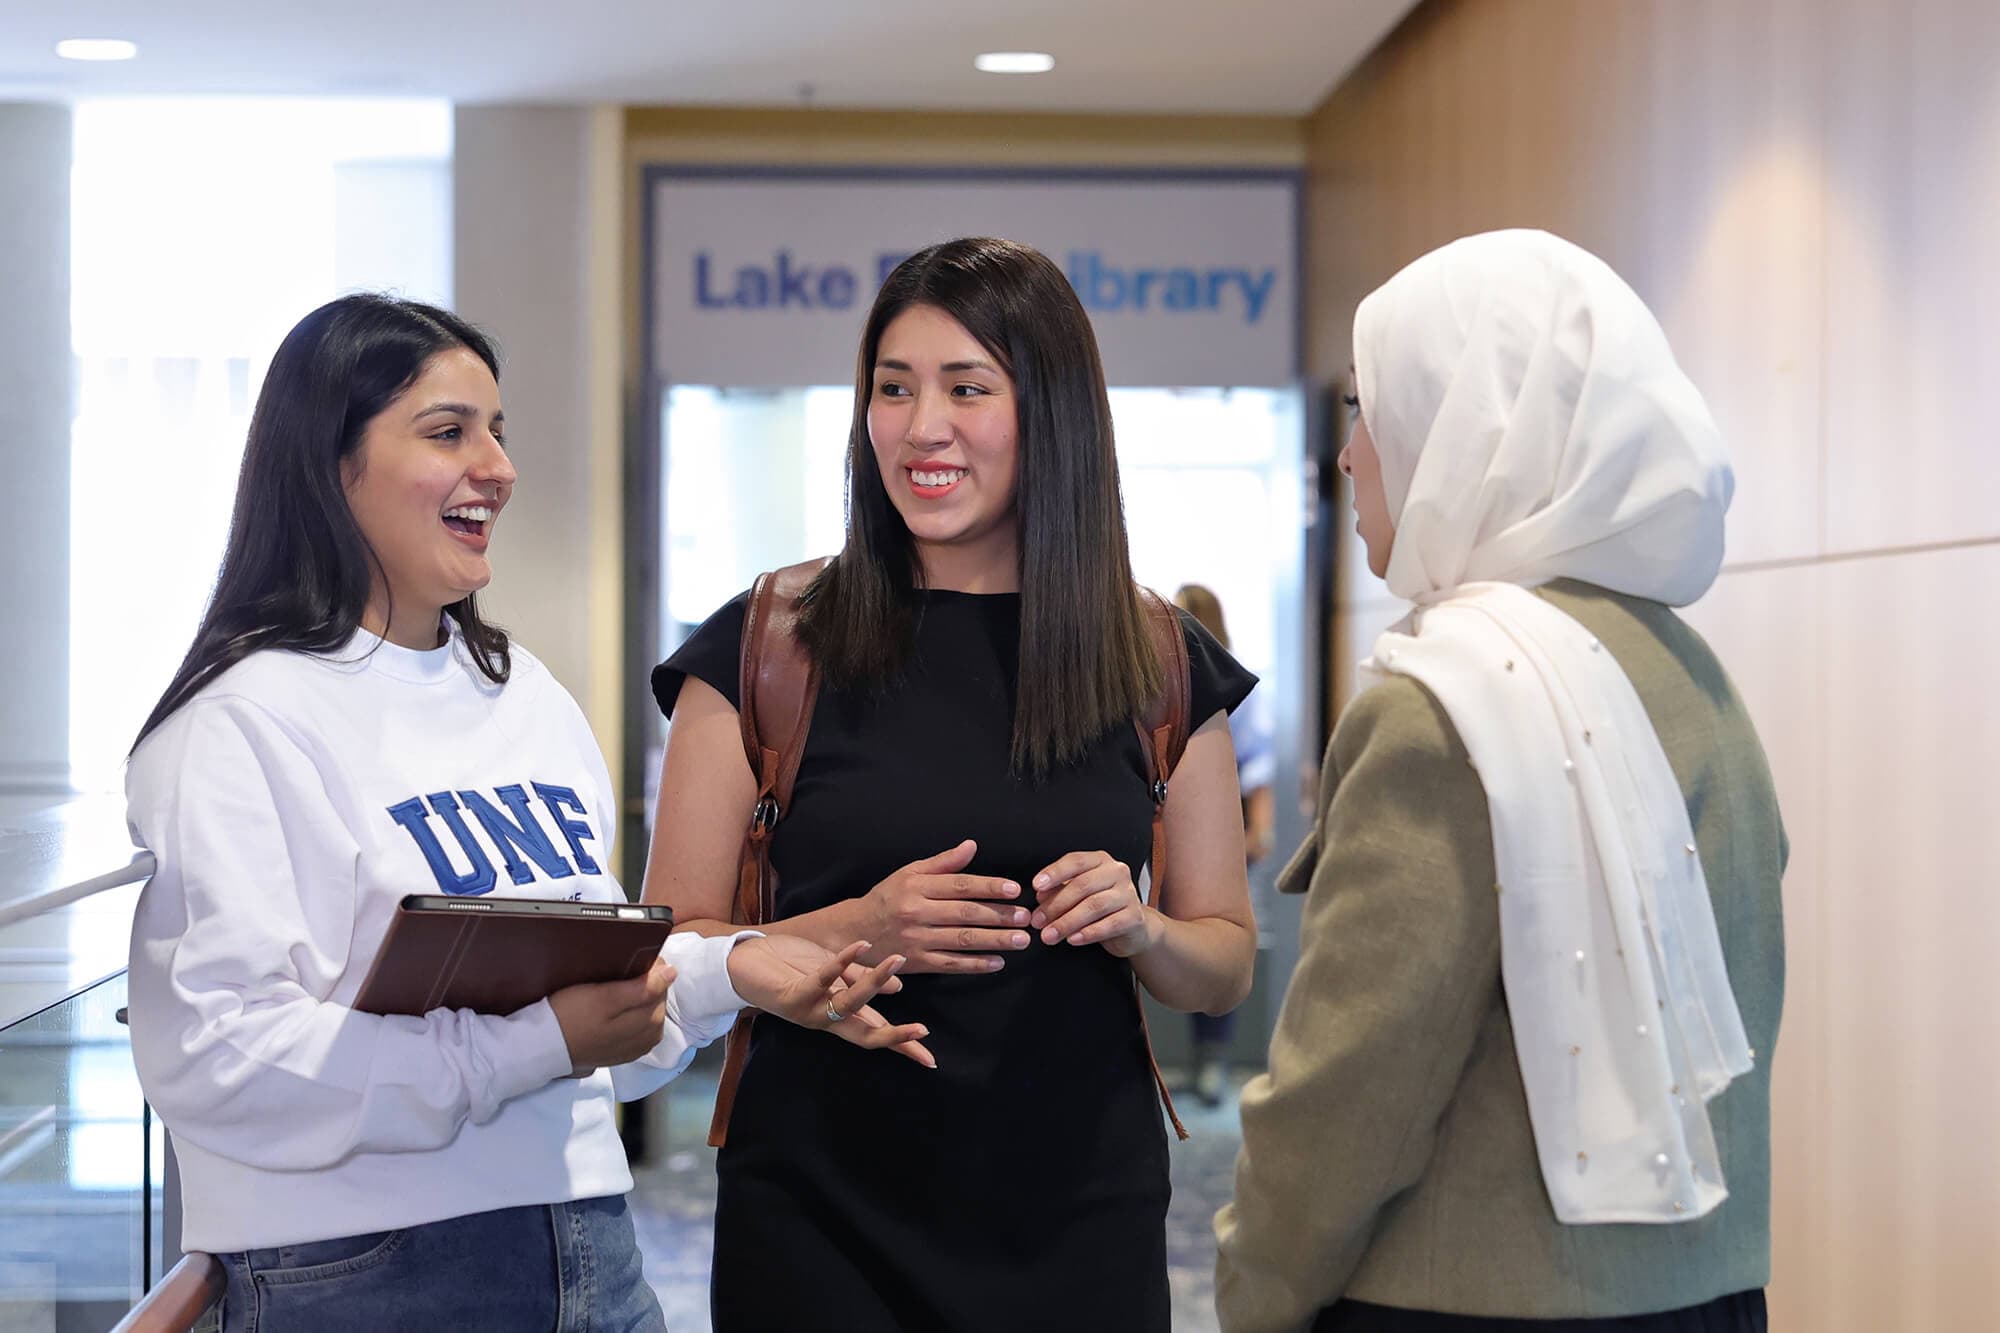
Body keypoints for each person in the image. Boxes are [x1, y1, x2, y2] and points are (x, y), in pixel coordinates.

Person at [124, 294, 928, 1332]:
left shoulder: (522, 694)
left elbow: (606, 1015)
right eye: (448, 432)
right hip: (360, 1275)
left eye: (497, 431)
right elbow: (220, 1059)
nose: (497, 468)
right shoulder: (234, 723)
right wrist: (535, 1042)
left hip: (587, 1241)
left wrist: (730, 970)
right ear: (330, 465)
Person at [644, 237, 1260, 1331]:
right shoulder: (766, 644)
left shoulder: (1155, 659)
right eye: (892, 387)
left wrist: (1142, 929)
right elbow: (675, 945)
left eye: (966, 387)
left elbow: (1219, 966)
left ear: (1051, 411)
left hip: (1078, 1217)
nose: (919, 425)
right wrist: (854, 924)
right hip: (818, 1218)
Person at [1214, 230, 1786, 1333]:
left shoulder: (1441, 701)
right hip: (1704, 1295)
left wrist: (1251, 1293)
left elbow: (1349, 1091)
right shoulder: (1686, 673)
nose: (1347, 459)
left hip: (1460, 1307)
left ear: (1463, 421)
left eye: (1365, 412)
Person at [1171, 583, 1276, 1107]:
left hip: (1222, 827)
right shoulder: (1162, 678)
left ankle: (1213, 1058)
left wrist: (1259, 831)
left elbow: (1258, 768)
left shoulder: (1230, 687)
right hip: (1166, 824)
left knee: (1217, 939)